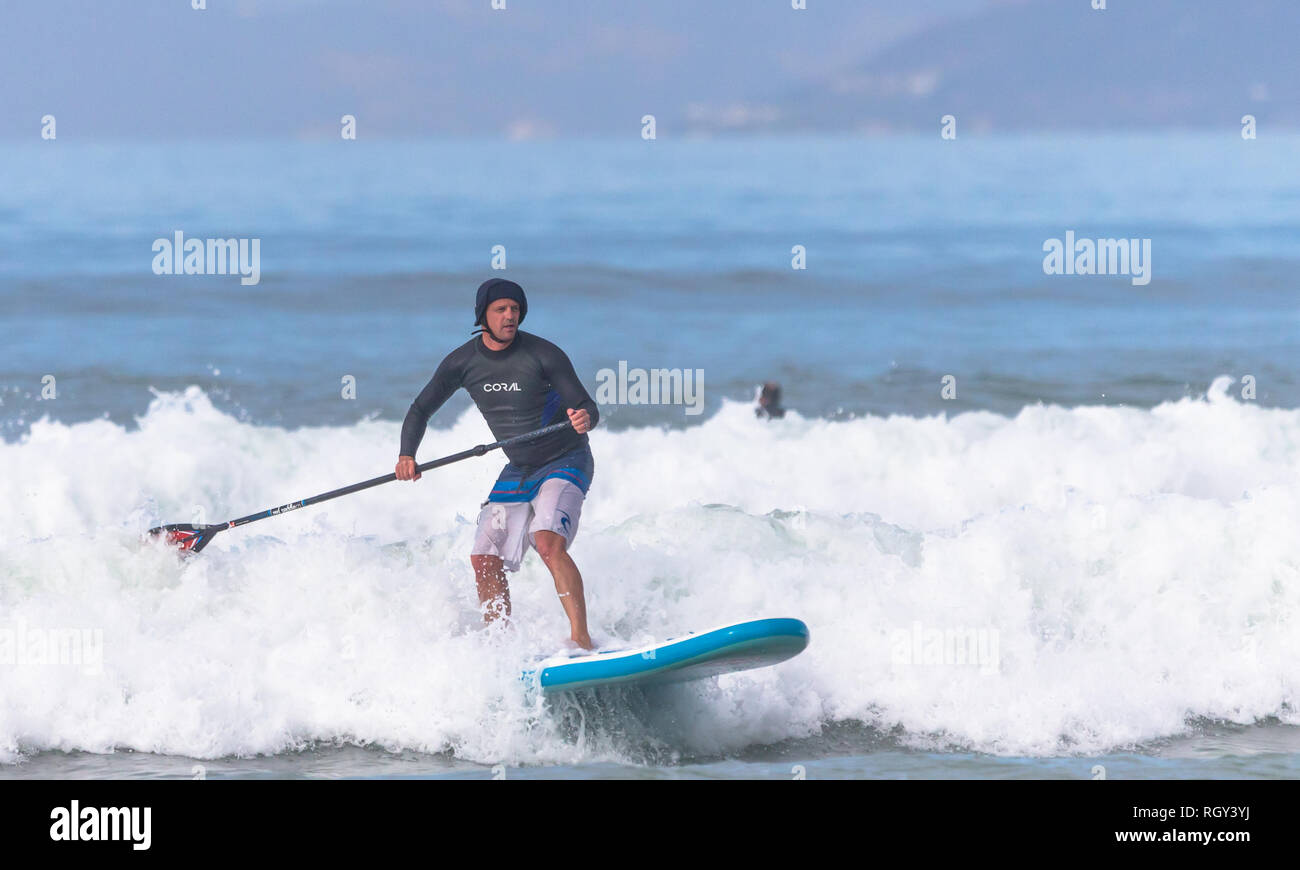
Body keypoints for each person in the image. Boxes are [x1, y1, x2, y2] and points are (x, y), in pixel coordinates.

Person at [395, 278, 600, 649]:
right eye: (501, 309)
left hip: (564, 459)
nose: (510, 316)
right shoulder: (463, 362)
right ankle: (501, 647)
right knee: (483, 557)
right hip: (519, 469)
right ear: (482, 315)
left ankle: (582, 641)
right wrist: (407, 454)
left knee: (548, 542)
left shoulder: (543, 354)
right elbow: (420, 408)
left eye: (515, 309)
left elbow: (586, 405)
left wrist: (584, 417)